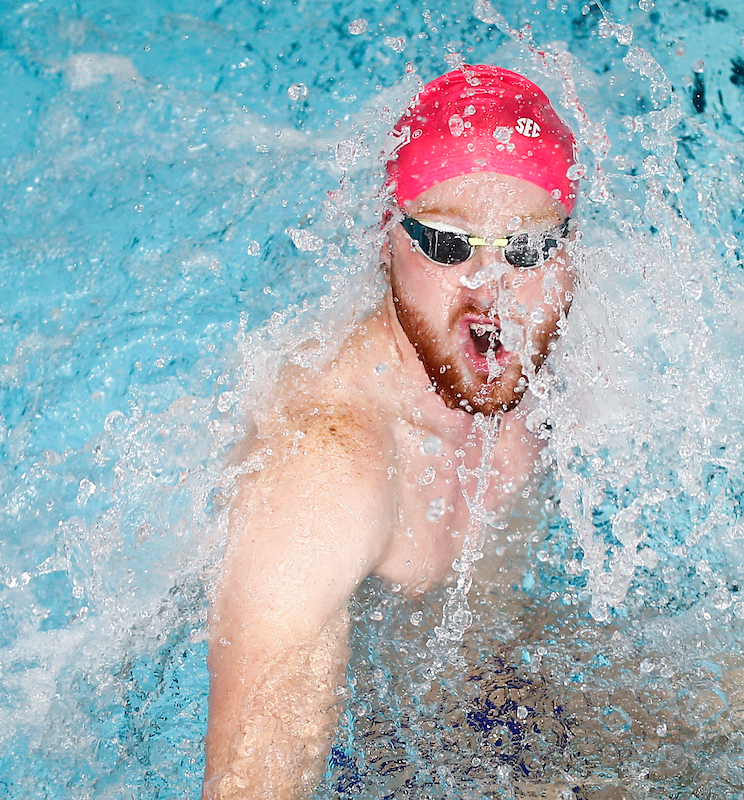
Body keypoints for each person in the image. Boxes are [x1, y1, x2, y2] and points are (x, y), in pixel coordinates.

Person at [202, 64, 581, 799]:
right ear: (387, 238)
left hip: (468, 708)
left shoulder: (556, 374)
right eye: (446, 245)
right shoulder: (327, 470)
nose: (489, 288)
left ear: (569, 254)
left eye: (526, 249)